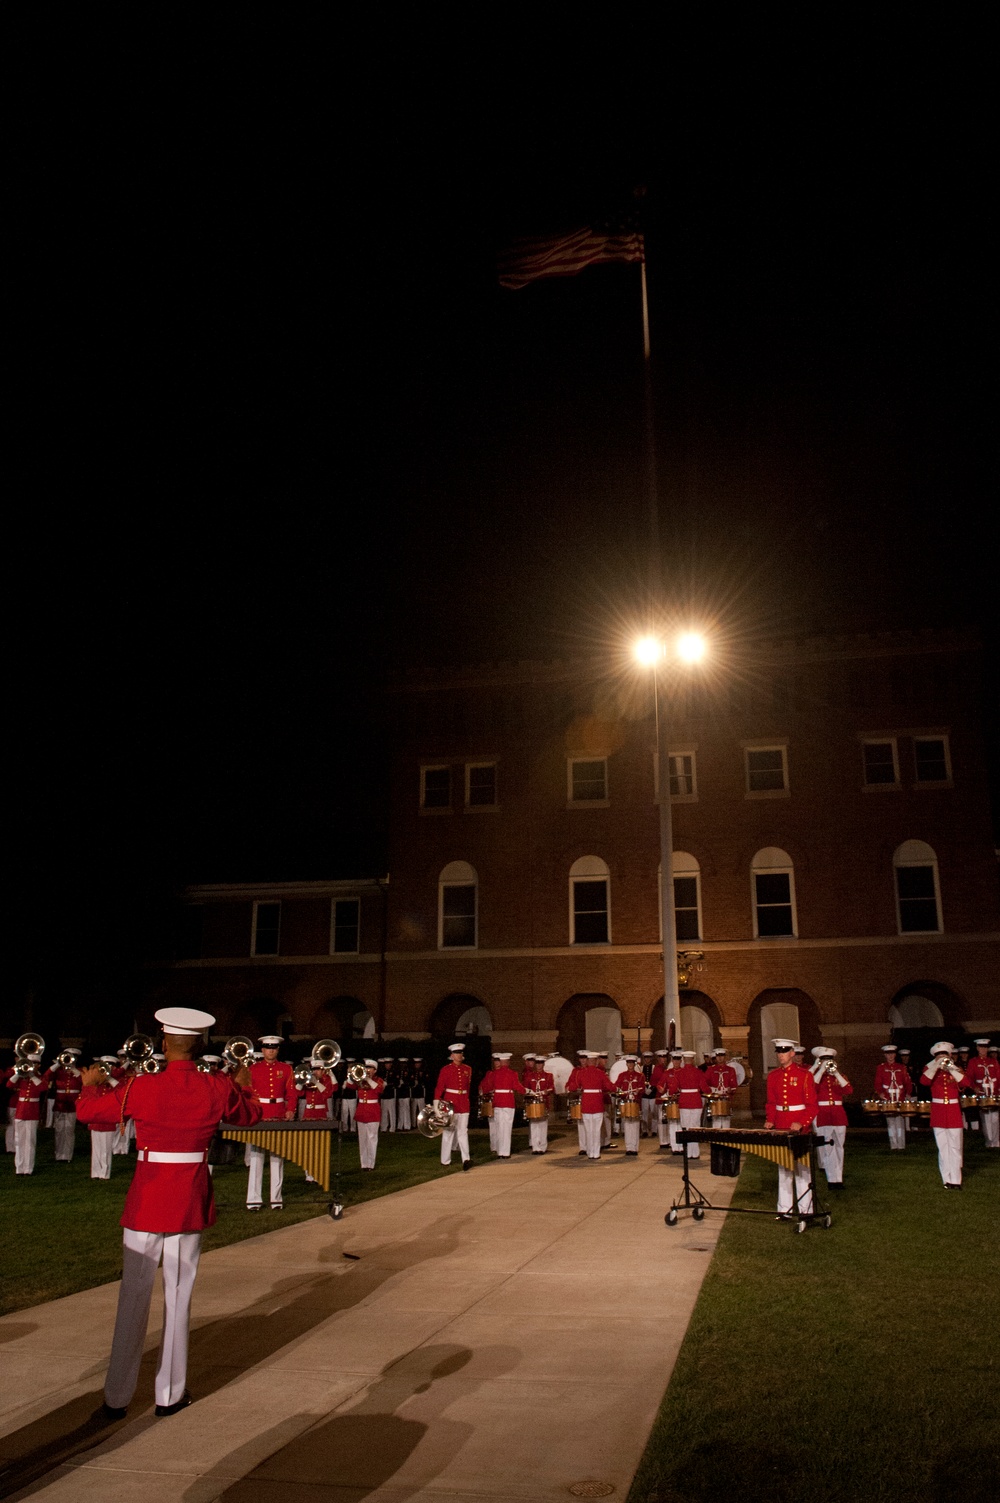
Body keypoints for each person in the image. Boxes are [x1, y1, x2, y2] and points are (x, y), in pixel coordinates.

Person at [76, 1006, 259, 1419]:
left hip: (147, 1198)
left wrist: (89, 1087)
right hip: (189, 1198)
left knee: (133, 1296)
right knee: (179, 1296)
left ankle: (116, 1398)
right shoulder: (216, 1086)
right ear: (201, 1046)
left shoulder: (140, 1086)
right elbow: (250, 1115)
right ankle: (169, 1396)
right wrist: (243, 1087)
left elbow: (90, 1113)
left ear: (163, 1043)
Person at [763, 1039, 819, 1216]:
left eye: (784, 1051)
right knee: (784, 1169)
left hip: (798, 1126)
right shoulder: (773, 1076)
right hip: (781, 1124)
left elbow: (812, 1106)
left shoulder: (805, 1075)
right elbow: (771, 1103)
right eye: (778, 1051)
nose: (780, 1054)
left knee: (802, 1171)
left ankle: (806, 1209)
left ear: (792, 1054)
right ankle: (784, 1209)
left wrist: (802, 1123)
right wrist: (770, 1119)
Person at [246, 1035, 297, 1211]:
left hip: (278, 1115)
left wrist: (291, 1109)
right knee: (256, 1158)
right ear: (262, 1050)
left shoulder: (286, 1068)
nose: (271, 1051)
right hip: (260, 1115)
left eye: (274, 1048)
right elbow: (248, 1092)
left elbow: (291, 1092)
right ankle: (253, 1200)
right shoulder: (253, 1069)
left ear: (278, 1050)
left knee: (277, 1159)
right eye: (268, 1048)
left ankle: (276, 1200)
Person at [920, 1042, 970, 1188]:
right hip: (938, 1110)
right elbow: (924, 1081)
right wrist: (935, 1066)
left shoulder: (955, 1069)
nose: (942, 1058)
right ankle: (946, 1179)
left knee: (955, 1146)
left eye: (944, 1055)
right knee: (943, 1147)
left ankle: (956, 1179)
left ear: (950, 1055)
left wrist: (951, 1068)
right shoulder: (930, 1069)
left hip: (953, 1109)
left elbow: (965, 1082)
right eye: (939, 1056)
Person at [810, 1046, 852, 1188]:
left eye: (830, 1060)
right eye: (824, 1060)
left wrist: (837, 1073)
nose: (827, 1063)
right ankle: (831, 1179)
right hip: (823, 1113)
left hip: (838, 1114)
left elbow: (848, 1089)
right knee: (827, 1146)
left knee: (840, 1146)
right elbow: (811, 1087)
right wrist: (820, 1070)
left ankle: (838, 1178)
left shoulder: (838, 1076)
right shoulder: (816, 1077)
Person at [565, 1052, 616, 1160]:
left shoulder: (581, 1073)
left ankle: (589, 1152)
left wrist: (568, 1087)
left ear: (588, 1061)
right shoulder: (601, 1073)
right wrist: (617, 1088)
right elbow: (609, 1086)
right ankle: (595, 1153)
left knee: (588, 1129)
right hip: (597, 1103)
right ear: (596, 1061)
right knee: (597, 1130)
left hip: (586, 1103)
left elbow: (573, 1086)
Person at [434, 1044, 473, 1169]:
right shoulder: (446, 1069)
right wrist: (436, 1105)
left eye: (460, 1053)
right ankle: (445, 1160)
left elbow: (468, 1087)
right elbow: (440, 1087)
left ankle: (466, 1159)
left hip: (463, 1103)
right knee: (448, 1131)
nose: (459, 1055)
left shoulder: (468, 1069)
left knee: (463, 1131)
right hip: (451, 1103)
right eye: (456, 1053)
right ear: (451, 1055)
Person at [12, 1051, 51, 1175]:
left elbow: (43, 1088)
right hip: (21, 1111)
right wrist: (18, 1073)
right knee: (19, 1140)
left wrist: (32, 1075)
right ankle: (19, 1168)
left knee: (29, 1141)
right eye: (30, 1063)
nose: (32, 1065)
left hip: (32, 1112)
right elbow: (9, 1084)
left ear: (38, 1065)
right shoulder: (21, 1077)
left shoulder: (40, 1077)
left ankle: (28, 1169)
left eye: (35, 1063)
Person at [874, 1044, 913, 1150]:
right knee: (890, 1120)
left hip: (899, 1096)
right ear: (885, 1055)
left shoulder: (901, 1067)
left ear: (895, 1055)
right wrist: (880, 1092)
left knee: (900, 1121)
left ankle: (901, 1145)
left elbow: (907, 1082)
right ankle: (893, 1144)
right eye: (888, 1054)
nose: (890, 1056)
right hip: (888, 1097)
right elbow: (877, 1082)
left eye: (892, 1054)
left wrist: (908, 1093)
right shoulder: (881, 1067)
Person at [490, 1052, 525, 1158]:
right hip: (508, 1102)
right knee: (507, 1127)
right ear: (508, 1062)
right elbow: (517, 1086)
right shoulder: (512, 1073)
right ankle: (505, 1152)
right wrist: (525, 1091)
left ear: (500, 1062)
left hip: (497, 1101)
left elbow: (489, 1086)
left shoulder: (494, 1073)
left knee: (499, 1127)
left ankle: (499, 1151)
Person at [51, 1047, 83, 1162]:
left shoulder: (79, 1071)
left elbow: (84, 1081)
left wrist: (74, 1069)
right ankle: (59, 1155)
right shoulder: (59, 1072)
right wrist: (58, 1063)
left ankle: (67, 1155)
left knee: (69, 1130)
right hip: (60, 1103)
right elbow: (47, 1076)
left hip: (72, 1103)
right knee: (59, 1130)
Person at [967, 1037, 999, 1148]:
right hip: (982, 1092)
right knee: (985, 1118)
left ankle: (996, 1141)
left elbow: (998, 1077)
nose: (983, 1050)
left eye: (985, 1047)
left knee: (995, 1117)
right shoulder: (973, 1061)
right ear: (977, 1048)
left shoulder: (993, 1061)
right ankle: (989, 1141)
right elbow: (969, 1078)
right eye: (981, 1047)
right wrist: (974, 1087)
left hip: (994, 1092)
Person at [355, 1060, 384, 1169]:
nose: (367, 1070)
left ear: (375, 1070)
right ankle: (364, 1164)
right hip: (361, 1110)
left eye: (370, 1068)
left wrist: (367, 1079)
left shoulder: (378, 1080)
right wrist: (352, 1075)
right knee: (362, 1139)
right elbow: (349, 1085)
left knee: (372, 1138)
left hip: (373, 1111)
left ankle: (371, 1164)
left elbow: (379, 1089)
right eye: (366, 1067)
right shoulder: (360, 1080)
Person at [523, 1055, 555, 1153]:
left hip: (543, 1102)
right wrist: (530, 1092)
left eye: (540, 1063)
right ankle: (535, 1147)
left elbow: (552, 1088)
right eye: (537, 1063)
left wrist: (546, 1091)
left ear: (543, 1064)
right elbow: (525, 1087)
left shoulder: (548, 1075)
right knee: (534, 1124)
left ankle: (542, 1147)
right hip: (533, 1103)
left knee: (542, 1124)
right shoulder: (530, 1075)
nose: (538, 1065)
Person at [616, 1055, 646, 1156]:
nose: (630, 1065)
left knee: (635, 1125)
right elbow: (617, 1087)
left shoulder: (640, 1075)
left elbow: (643, 1089)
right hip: (626, 1103)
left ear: (634, 1064)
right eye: (628, 1063)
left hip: (636, 1103)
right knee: (627, 1125)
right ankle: (629, 1147)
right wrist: (621, 1092)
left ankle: (635, 1147)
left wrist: (638, 1091)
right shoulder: (622, 1075)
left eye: (632, 1063)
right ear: (626, 1064)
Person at [702, 1047, 739, 1130]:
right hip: (715, 1097)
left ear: (725, 1057)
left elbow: (734, 1085)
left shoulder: (730, 1070)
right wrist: (710, 1091)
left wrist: (731, 1090)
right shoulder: (711, 1069)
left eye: (722, 1055)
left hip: (726, 1097)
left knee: (726, 1121)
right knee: (716, 1121)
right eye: (718, 1056)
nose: (720, 1058)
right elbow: (703, 1082)